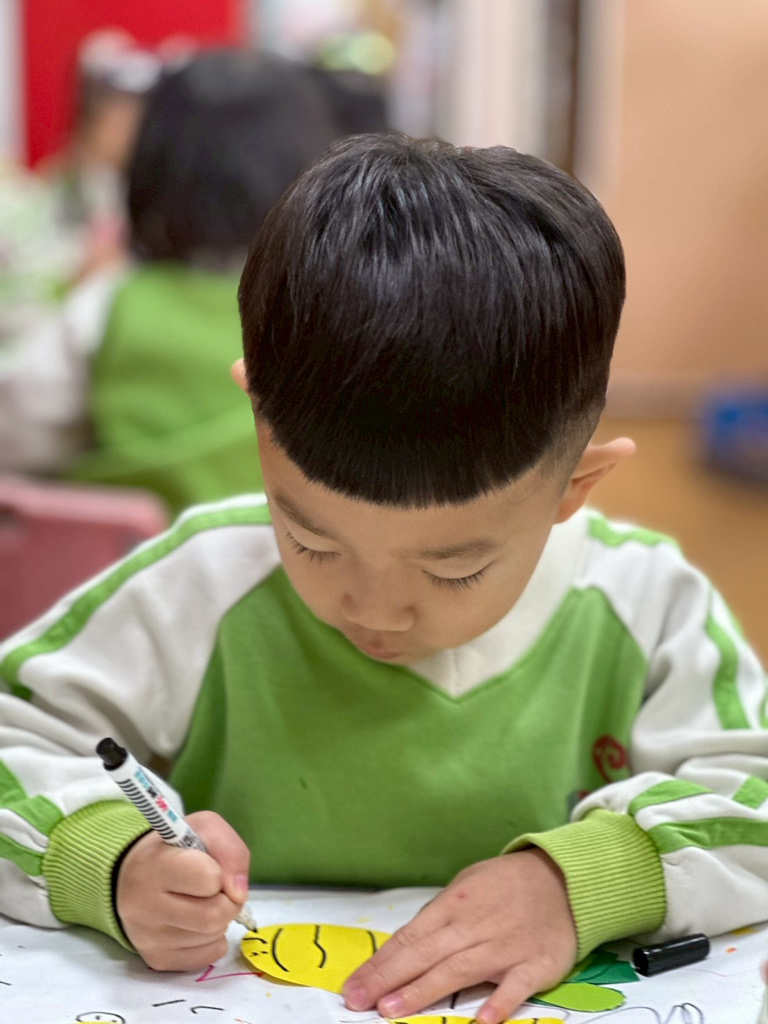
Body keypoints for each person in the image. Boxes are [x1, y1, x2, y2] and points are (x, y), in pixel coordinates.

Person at [0, 135, 766, 1024]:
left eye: (455, 567)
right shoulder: (200, 586)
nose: (373, 608)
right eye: (311, 540)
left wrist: (586, 881)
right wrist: (112, 859)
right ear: (258, 418)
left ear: (576, 486)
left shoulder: (644, 606)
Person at [0, 48, 337, 513]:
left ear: (152, 162)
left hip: (145, 553)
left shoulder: (107, 306)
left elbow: (15, 436)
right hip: (298, 551)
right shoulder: (337, 306)